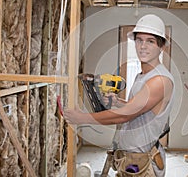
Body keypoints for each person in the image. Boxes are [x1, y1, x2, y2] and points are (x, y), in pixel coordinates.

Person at [64, 14, 175, 177]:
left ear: (161, 47)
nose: (143, 46)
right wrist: (118, 102)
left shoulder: (160, 80)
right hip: (129, 157)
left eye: (150, 41)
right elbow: (137, 109)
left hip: (141, 163)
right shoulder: (142, 75)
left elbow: (126, 115)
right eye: (139, 40)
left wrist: (82, 118)